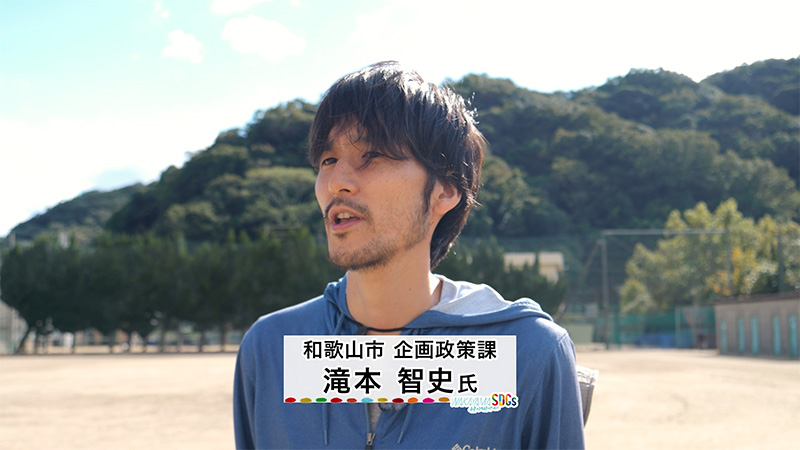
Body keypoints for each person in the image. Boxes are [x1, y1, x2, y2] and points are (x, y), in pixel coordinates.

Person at [234, 61, 585, 449]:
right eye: (328, 160)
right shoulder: (271, 348)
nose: (336, 183)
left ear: (445, 191)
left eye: (372, 155)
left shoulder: (526, 351)